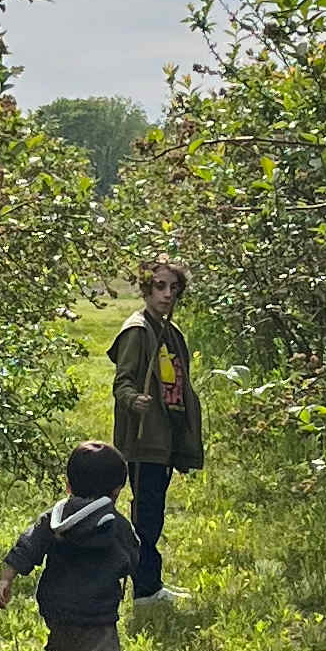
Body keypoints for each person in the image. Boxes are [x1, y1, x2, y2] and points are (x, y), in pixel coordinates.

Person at [0, 438, 140, 651]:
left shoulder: (54, 519)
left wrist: (8, 575)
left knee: (63, 648)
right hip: (97, 611)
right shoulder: (115, 524)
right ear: (116, 491)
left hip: (56, 606)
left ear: (68, 485)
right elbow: (131, 558)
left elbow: (28, 545)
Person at [108, 258, 204, 603]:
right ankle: (144, 590)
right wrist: (135, 401)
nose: (167, 294)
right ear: (146, 288)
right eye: (160, 286)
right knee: (145, 514)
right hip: (142, 439)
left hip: (166, 436)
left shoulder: (169, 331)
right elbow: (122, 383)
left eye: (173, 288)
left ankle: (149, 583)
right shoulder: (137, 329)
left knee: (154, 509)